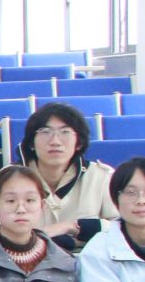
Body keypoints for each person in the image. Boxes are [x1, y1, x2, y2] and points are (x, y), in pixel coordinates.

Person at [21, 102, 116, 248]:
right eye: (45, 132)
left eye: (65, 132)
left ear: (79, 143)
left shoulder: (101, 176)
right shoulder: (11, 179)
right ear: (31, 143)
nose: (55, 141)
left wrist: (71, 228)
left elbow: (122, 229)